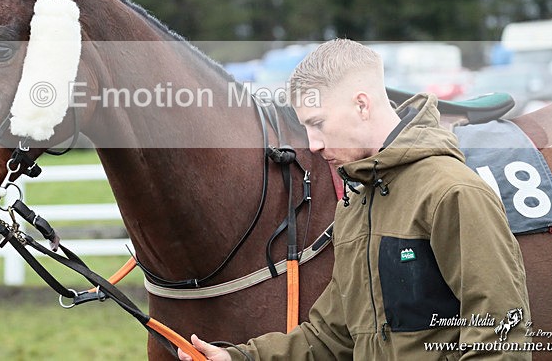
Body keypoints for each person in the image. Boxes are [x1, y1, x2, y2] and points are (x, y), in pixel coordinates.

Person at [180, 39, 531, 360]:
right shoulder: (354, 207)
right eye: (306, 129)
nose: (313, 145)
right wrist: (239, 358)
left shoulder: (452, 192)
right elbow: (331, 334)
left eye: (318, 123)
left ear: (362, 105)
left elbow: (501, 337)